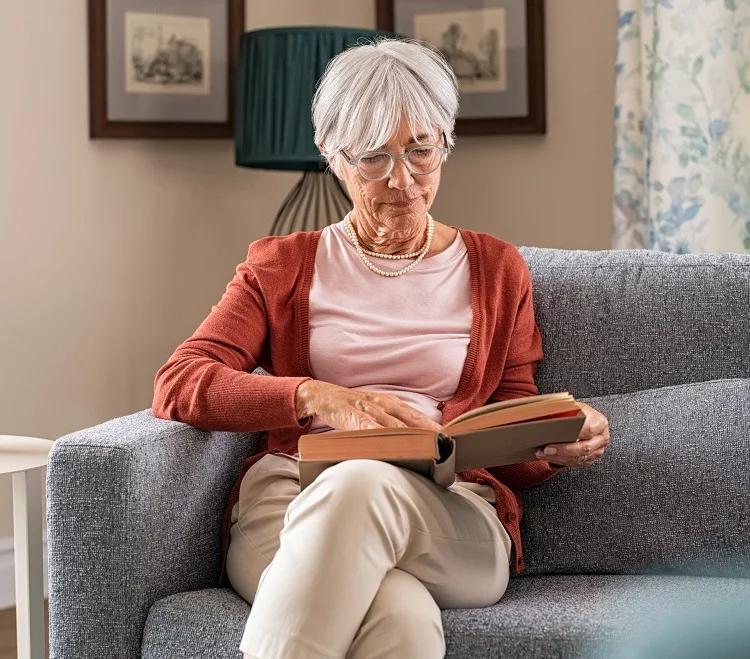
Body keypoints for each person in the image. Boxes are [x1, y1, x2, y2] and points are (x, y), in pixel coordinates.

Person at [151, 37, 611, 659]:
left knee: (360, 484)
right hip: (293, 499)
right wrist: (318, 399)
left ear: (445, 143)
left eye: (422, 150)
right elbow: (180, 382)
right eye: (374, 157)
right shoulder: (281, 267)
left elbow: (514, 434)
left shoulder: (497, 269)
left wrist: (556, 442)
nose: (403, 179)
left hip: (450, 514)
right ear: (333, 158)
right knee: (400, 616)